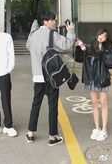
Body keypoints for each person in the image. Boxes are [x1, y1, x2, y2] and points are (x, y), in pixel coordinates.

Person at [26, 11, 76, 146]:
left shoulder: (33, 35)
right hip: (51, 77)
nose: (54, 22)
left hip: (37, 76)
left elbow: (28, 46)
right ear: (45, 22)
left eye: (54, 20)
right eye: (52, 20)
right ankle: (52, 136)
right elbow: (66, 45)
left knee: (35, 104)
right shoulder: (52, 34)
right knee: (52, 106)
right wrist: (70, 31)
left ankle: (30, 133)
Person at [75, 28, 112, 142]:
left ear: (106, 39)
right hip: (91, 79)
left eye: (104, 36)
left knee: (103, 104)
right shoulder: (90, 46)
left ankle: (104, 130)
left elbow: (110, 63)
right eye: (101, 34)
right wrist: (79, 47)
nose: (101, 36)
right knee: (95, 104)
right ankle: (96, 128)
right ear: (97, 34)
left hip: (102, 79)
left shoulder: (108, 48)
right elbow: (79, 58)